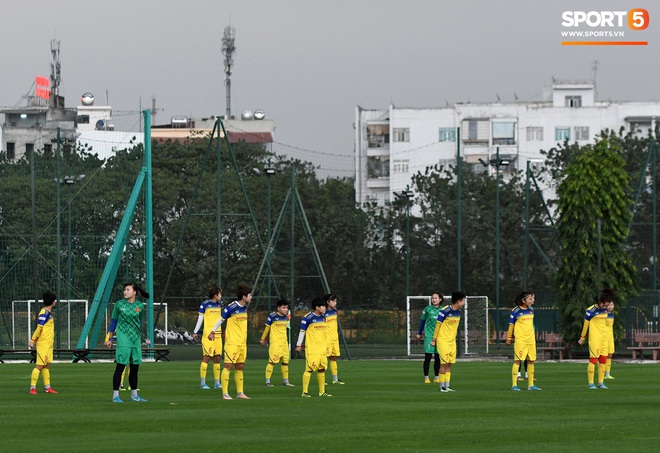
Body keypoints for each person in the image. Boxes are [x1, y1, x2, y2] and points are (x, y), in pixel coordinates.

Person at [104, 282, 150, 403]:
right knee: (120, 366)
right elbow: (114, 321)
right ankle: (115, 396)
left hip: (135, 339)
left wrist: (140, 335)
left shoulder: (140, 305)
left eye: (128, 290)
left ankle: (134, 395)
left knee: (135, 368)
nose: (125, 292)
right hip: (123, 338)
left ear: (134, 292)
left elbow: (139, 321)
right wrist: (109, 338)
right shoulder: (119, 305)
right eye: (125, 290)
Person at [209, 284, 251, 400]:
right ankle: (225, 393)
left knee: (240, 367)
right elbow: (221, 320)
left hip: (242, 343)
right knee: (228, 366)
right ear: (244, 296)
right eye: (249, 295)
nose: (251, 297)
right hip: (232, 343)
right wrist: (212, 331)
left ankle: (240, 393)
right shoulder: (231, 307)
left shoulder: (245, 308)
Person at [578, 289, 615, 389]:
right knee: (593, 360)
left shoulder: (606, 310)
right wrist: (582, 337)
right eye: (604, 305)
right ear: (600, 302)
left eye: (607, 305)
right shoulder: (591, 311)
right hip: (595, 339)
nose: (605, 307)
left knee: (603, 360)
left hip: (604, 339)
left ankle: (601, 383)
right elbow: (586, 325)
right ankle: (591, 383)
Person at [296, 296, 332, 397]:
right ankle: (305, 392)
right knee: (309, 369)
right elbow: (302, 331)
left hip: (322, 349)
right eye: (323, 306)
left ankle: (322, 392)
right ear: (317, 307)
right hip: (312, 349)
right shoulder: (308, 318)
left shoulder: (323, 317)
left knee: (322, 369)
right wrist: (299, 344)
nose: (325, 308)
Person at [430, 291, 466, 392]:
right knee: (443, 364)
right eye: (463, 301)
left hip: (452, 342)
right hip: (443, 341)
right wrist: (434, 339)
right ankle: (442, 387)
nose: (463, 303)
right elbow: (438, 326)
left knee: (449, 364)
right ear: (458, 301)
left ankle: (447, 386)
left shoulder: (459, 312)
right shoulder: (444, 311)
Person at [507, 291, 541, 391]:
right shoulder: (515, 311)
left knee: (531, 361)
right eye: (530, 299)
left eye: (533, 298)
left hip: (531, 340)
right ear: (523, 300)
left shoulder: (531, 310)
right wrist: (509, 338)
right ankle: (514, 385)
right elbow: (511, 325)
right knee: (517, 361)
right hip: (520, 340)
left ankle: (531, 385)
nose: (532, 301)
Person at [193, 287, 224, 390]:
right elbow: (200, 318)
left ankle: (217, 383)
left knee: (217, 358)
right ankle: (203, 383)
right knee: (206, 357)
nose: (221, 295)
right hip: (208, 335)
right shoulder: (205, 304)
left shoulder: (219, 305)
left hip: (218, 335)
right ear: (215, 295)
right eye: (220, 294)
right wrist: (195, 331)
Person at [28, 291, 58, 395]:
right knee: (39, 366)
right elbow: (39, 328)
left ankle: (47, 387)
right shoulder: (44, 313)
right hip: (43, 344)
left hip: (49, 344)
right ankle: (32, 388)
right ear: (53, 302)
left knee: (46, 365)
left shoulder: (48, 313)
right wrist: (32, 340)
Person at [260, 299, 295, 387]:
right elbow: (267, 328)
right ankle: (267, 381)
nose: (285, 309)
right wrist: (262, 338)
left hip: (284, 343)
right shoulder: (272, 316)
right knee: (272, 361)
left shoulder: (286, 317)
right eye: (283, 307)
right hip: (275, 343)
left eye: (286, 307)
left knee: (285, 362)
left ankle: (286, 381)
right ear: (278, 308)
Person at [415, 292, 443, 384]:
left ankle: (436, 377)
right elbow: (422, 321)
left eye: (435, 298)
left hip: (439, 336)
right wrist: (419, 332)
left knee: (438, 358)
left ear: (440, 299)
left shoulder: (443, 310)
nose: (434, 300)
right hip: (429, 336)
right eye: (432, 298)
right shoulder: (427, 309)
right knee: (428, 357)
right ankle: (426, 377)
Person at [324, 293, 345, 384]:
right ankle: (322, 379)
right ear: (327, 302)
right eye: (333, 301)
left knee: (334, 358)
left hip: (334, 339)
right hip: (326, 339)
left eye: (335, 301)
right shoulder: (323, 313)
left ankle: (335, 379)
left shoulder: (335, 311)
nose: (335, 303)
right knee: (324, 359)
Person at [604, 300, 616, 380]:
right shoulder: (603, 314)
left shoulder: (612, 314)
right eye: (608, 305)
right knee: (603, 355)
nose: (610, 306)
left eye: (611, 304)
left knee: (610, 354)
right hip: (604, 337)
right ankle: (602, 373)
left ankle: (607, 374)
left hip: (610, 337)